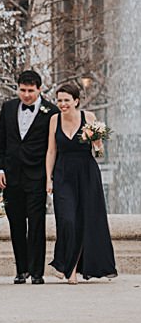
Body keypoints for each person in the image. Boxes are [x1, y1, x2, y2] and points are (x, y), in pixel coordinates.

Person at [45, 83, 117, 284]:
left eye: (66, 100)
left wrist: (96, 142)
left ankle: (72, 270)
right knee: (67, 219)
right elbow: (51, 151)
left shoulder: (89, 118)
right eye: (59, 100)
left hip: (87, 173)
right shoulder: (54, 119)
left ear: (76, 101)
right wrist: (48, 179)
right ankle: (65, 264)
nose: (62, 104)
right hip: (63, 173)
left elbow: (100, 153)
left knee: (85, 220)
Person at [0, 70, 56, 285]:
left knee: (37, 224)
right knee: (16, 224)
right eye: (22, 90)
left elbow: (53, 148)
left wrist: (50, 177)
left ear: (39, 89)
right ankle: (21, 270)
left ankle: (37, 272)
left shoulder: (51, 112)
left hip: (37, 176)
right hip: (11, 177)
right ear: (17, 88)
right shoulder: (8, 108)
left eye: (30, 91)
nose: (26, 95)